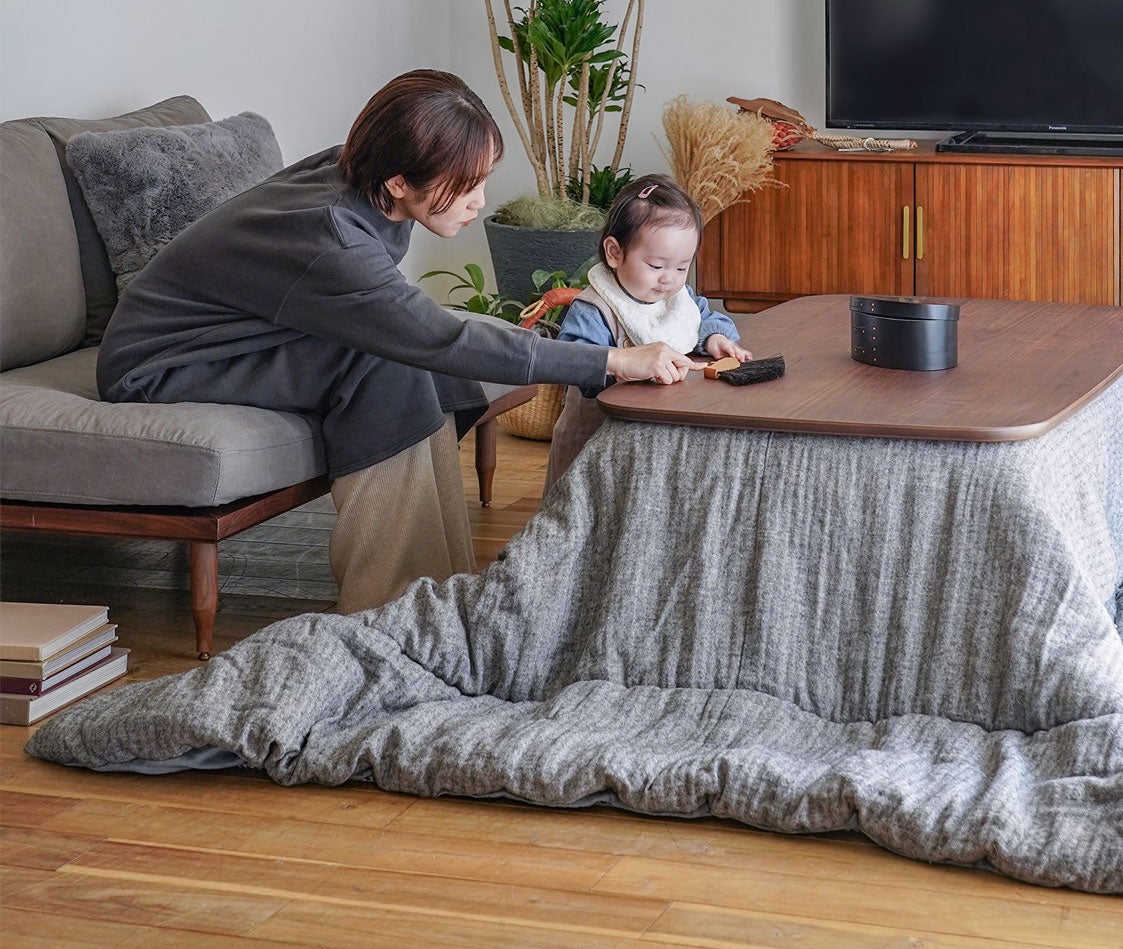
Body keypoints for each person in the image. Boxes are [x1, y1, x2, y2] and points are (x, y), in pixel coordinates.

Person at [96, 70, 686, 612]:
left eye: (482, 179)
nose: (480, 202)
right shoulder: (333, 238)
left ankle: (443, 593)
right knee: (387, 367)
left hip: (248, 334)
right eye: (464, 186)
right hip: (163, 364)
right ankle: (394, 611)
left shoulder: (361, 177)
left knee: (400, 358)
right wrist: (612, 358)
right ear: (399, 180)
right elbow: (441, 338)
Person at [543, 175, 750, 489]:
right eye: (656, 266)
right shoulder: (596, 308)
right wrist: (625, 367)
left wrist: (714, 338)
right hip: (596, 445)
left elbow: (704, 316)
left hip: (654, 440)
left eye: (682, 267)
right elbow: (573, 364)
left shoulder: (676, 299)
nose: (669, 279)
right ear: (614, 252)